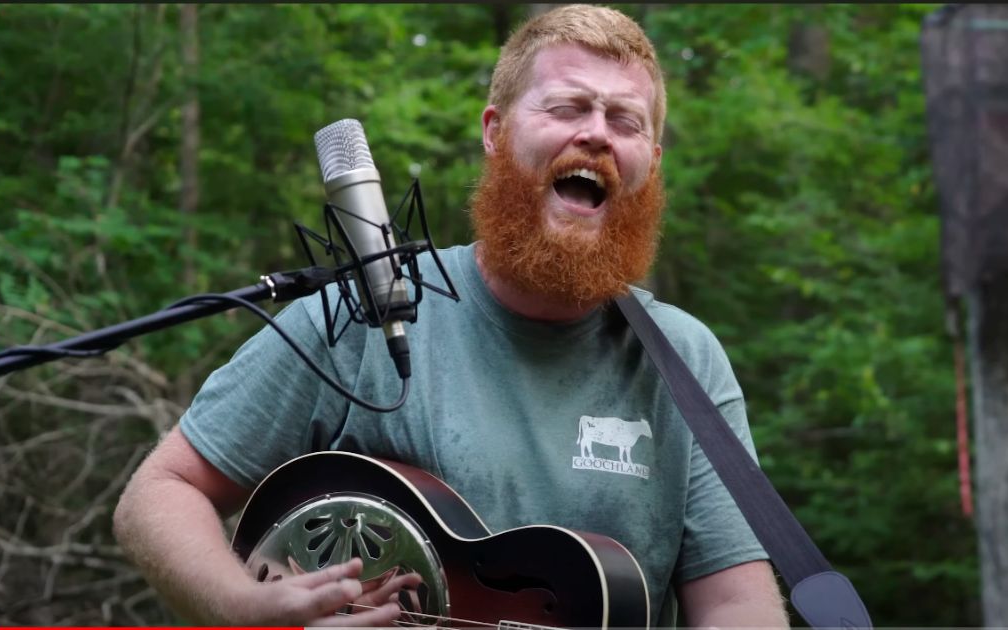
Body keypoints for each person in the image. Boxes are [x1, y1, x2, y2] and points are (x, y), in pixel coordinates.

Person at [113, 5, 789, 628]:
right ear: (495, 133)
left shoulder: (684, 358)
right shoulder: (362, 314)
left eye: (625, 120)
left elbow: (735, 599)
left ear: (652, 163)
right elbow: (162, 489)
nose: (596, 134)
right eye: (568, 107)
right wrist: (246, 606)